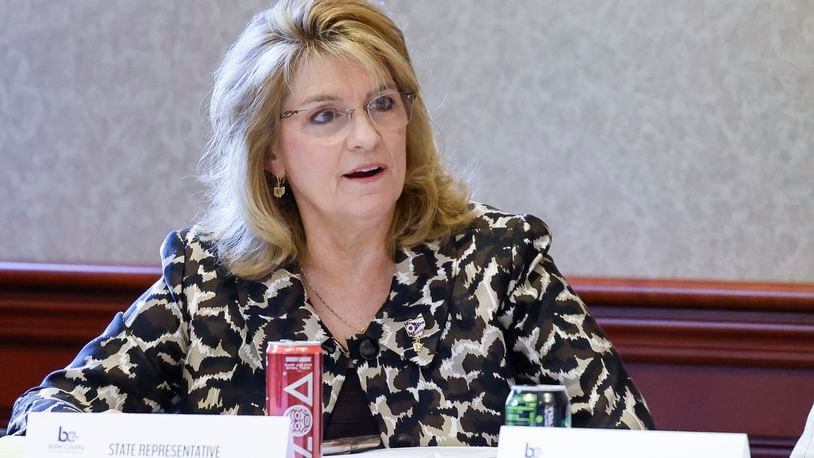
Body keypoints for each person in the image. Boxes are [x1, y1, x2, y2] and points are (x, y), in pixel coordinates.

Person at [7, 0, 654, 447]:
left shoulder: (499, 265)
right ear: (271, 153)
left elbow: (631, 442)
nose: (367, 136)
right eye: (325, 116)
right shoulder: (209, 285)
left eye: (382, 104)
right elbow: (38, 422)